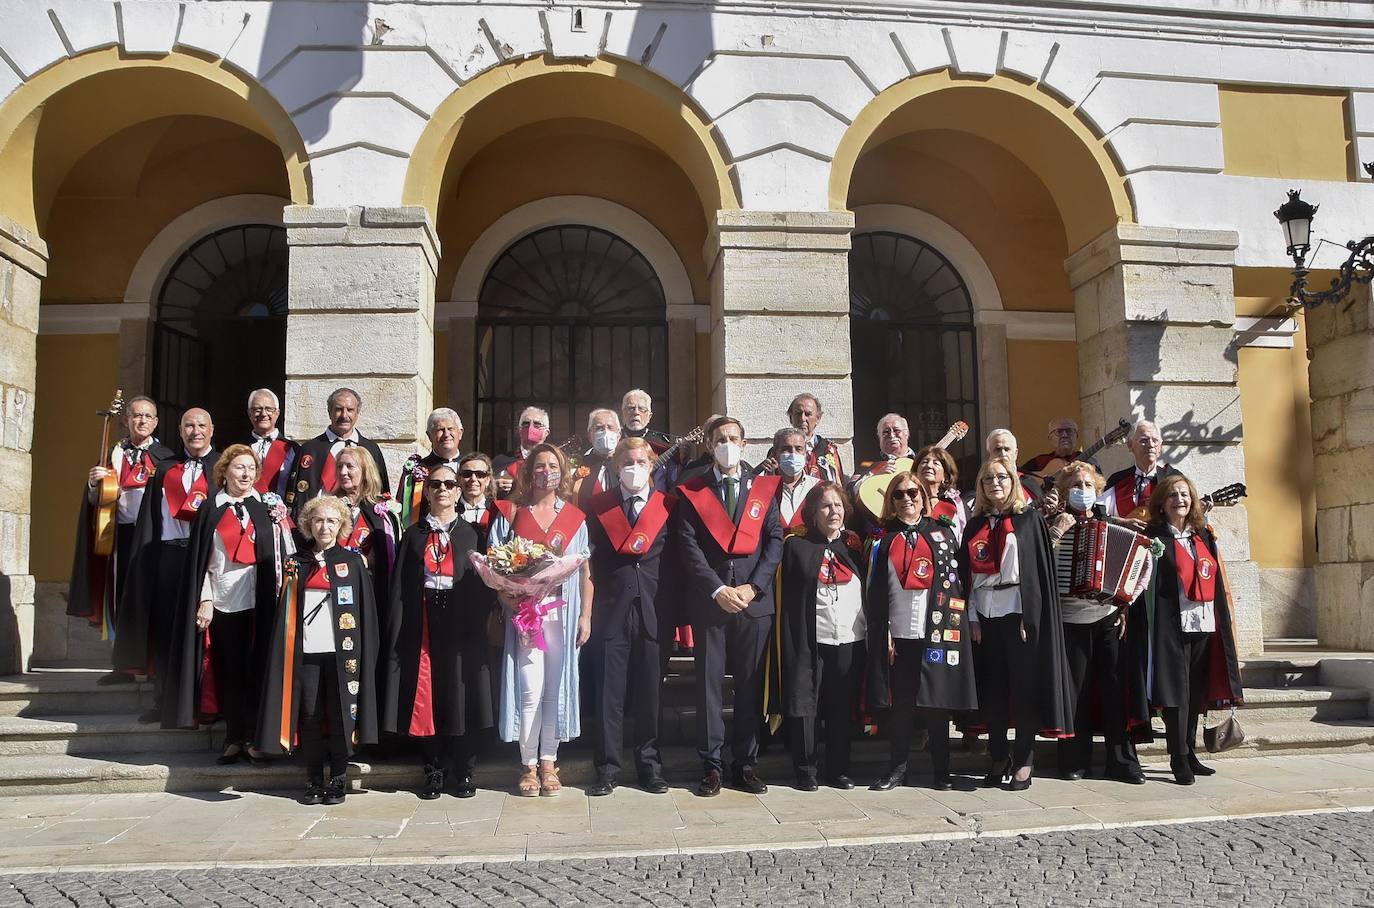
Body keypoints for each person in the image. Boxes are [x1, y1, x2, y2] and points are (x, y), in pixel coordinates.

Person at [672, 416, 784, 797]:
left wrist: (755, 586)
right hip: (712, 603)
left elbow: (775, 540)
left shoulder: (764, 489)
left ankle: (746, 764)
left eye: (734, 438)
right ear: (709, 443)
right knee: (709, 688)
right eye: (720, 439)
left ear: (745, 442)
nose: (728, 444)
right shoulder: (693, 490)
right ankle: (712, 765)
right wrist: (717, 589)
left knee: (750, 686)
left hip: (753, 605)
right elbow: (687, 546)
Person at [163, 444, 291, 769]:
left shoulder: (264, 507)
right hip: (222, 601)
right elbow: (200, 561)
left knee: (257, 670)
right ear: (225, 471)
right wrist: (204, 598)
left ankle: (254, 739)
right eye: (239, 468)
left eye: (251, 468)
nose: (246, 474)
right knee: (230, 672)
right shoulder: (211, 508)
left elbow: (281, 555)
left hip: (259, 600)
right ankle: (233, 737)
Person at [960, 457, 1073, 791]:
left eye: (1001, 478)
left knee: (1023, 690)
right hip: (983, 613)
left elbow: (1036, 575)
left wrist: (1028, 615)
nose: (994, 483)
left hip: (1017, 612)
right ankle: (998, 755)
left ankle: (1024, 758)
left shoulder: (1028, 521)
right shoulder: (974, 524)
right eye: (987, 479)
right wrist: (970, 617)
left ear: (1012, 482)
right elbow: (964, 576)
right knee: (991, 691)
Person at [257, 495, 379, 805]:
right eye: (319, 520)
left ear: (341, 526)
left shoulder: (352, 562)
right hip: (306, 652)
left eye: (331, 521)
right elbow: (285, 611)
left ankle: (337, 777)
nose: (324, 526)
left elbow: (366, 615)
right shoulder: (296, 563)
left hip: (342, 654)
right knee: (310, 715)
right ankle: (313, 778)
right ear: (309, 524)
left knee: (339, 715)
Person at [489, 443, 592, 797]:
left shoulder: (575, 518)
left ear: (562, 473)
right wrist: (507, 594)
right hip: (525, 615)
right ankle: (527, 765)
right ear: (528, 470)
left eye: (553, 465)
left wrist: (586, 615)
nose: (545, 471)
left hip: (562, 614)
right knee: (529, 690)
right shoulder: (511, 513)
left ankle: (549, 762)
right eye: (539, 465)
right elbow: (495, 563)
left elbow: (584, 573)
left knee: (554, 689)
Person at [385, 465, 492, 800]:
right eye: (436, 484)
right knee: (427, 695)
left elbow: (484, 583)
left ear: (459, 491)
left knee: (460, 692)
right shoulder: (413, 535)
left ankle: (464, 769)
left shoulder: (473, 533)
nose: (443, 489)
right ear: (427, 492)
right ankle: (432, 769)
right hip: (424, 621)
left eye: (449, 483)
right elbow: (401, 587)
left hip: (463, 621)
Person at [866, 476, 976, 792]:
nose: (906, 499)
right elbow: (877, 592)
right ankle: (898, 769)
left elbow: (955, 583)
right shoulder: (882, 539)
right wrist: (884, 631)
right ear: (891, 500)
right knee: (901, 706)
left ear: (922, 496)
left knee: (936, 705)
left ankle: (942, 771)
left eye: (913, 492)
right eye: (898, 494)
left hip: (936, 632)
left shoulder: (942, 534)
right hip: (898, 632)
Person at [1046, 462, 1150, 785]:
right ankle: (1074, 759)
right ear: (1065, 493)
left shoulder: (1109, 523)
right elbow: (1036, 565)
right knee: (1074, 694)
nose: (1083, 490)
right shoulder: (1051, 524)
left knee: (1115, 690)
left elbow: (1139, 563)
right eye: (1076, 485)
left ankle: (1121, 760)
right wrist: (1057, 529)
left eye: (1088, 485)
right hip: (1068, 619)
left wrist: (1124, 602)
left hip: (1106, 619)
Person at [584, 437, 675, 796]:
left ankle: (649, 765)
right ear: (616, 466)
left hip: (654, 611)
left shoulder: (667, 506)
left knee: (650, 694)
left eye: (641, 461)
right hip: (610, 612)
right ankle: (607, 768)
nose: (634, 468)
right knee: (610, 694)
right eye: (628, 462)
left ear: (652, 465)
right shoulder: (598, 508)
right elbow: (587, 562)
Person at [1140, 474, 1243, 785]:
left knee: (1196, 691)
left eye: (1185, 494)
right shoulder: (1155, 537)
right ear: (1162, 502)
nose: (1180, 500)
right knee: (1175, 694)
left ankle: (1191, 749)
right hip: (1171, 625)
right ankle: (1177, 757)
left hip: (1203, 622)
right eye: (1172, 495)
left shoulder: (1203, 535)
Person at [117, 408, 219, 722]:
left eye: (202, 424)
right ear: (179, 429)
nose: (196, 430)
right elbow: (150, 519)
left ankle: (205, 704)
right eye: (189, 425)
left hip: (206, 558)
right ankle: (163, 700)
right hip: (170, 557)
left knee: (205, 633)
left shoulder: (221, 468)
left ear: (212, 429)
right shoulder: (164, 469)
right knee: (166, 630)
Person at [68, 394, 175, 683]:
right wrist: (93, 483)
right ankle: (123, 666)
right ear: (126, 420)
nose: (141, 421)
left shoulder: (166, 458)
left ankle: (154, 666)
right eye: (136, 415)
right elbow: (97, 500)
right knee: (120, 599)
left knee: (152, 599)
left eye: (147, 416)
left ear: (156, 422)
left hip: (153, 538)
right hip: (120, 536)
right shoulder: (110, 455)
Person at [775, 482, 866, 790]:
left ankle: (839, 769)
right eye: (826, 506)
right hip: (809, 638)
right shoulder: (795, 546)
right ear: (812, 512)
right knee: (805, 706)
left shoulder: (854, 545)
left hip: (849, 638)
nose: (833, 511)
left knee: (841, 706)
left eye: (838, 505)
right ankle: (806, 770)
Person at [286, 388, 390, 521]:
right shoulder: (309, 449)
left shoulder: (371, 449)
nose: (344, 415)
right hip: (319, 528)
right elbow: (297, 498)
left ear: (357, 413)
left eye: (350, 410)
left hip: (362, 528)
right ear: (329, 412)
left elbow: (381, 493)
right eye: (338, 409)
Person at [335, 445, 401, 624]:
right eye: (339, 466)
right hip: (332, 586)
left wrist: (367, 560)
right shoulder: (329, 506)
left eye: (350, 466)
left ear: (365, 471)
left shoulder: (382, 512)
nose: (343, 472)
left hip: (368, 589)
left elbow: (389, 555)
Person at [395, 408, 465, 526]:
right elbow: (404, 512)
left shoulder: (472, 469)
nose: (446, 434)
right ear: (429, 436)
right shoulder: (417, 470)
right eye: (440, 430)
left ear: (460, 433)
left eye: (451, 429)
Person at [1099, 419, 1178, 523]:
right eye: (1144, 440)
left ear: (1160, 447)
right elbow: (1098, 515)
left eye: (1155, 441)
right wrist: (1122, 523)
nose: (1151, 445)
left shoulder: (1172, 479)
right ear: (1130, 445)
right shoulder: (1117, 480)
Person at [763, 394, 845, 484]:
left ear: (818, 418)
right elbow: (769, 486)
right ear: (791, 418)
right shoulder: (779, 450)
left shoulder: (828, 450)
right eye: (798, 413)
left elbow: (838, 484)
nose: (802, 418)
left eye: (808, 414)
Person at [245, 389, 297, 498]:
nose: (263, 414)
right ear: (250, 413)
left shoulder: (293, 449)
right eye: (257, 409)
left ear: (277, 413)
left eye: (269, 409)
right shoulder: (240, 448)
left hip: (283, 512)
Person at [985, 428, 1053, 509]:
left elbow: (1040, 516)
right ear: (989, 454)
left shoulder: (1029, 481)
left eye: (1007, 449)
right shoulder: (986, 484)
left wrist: (1051, 511)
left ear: (1016, 453)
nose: (1003, 454)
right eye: (997, 449)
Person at [492, 406, 551, 499]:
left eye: (537, 424)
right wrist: (494, 486)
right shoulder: (501, 461)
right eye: (526, 423)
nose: (530, 427)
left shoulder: (554, 463)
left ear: (546, 433)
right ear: (519, 430)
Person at [913, 445, 968, 540]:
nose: (929, 465)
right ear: (916, 472)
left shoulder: (956, 505)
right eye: (924, 462)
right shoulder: (907, 500)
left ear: (945, 476)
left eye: (936, 463)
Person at [771, 427, 820, 534]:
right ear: (775, 454)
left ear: (806, 455)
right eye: (786, 449)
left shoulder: (819, 488)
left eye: (798, 449)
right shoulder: (764, 489)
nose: (793, 454)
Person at [574, 408, 621, 510]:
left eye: (610, 427)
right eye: (599, 428)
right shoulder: (578, 465)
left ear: (619, 435)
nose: (605, 432)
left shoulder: (628, 463)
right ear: (589, 436)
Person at [456, 452, 501, 543]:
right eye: (467, 474)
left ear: (487, 480)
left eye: (480, 474)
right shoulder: (450, 510)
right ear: (459, 479)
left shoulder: (498, 511)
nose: (473, 479)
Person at [1020, 418, 1086, 477]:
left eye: (1069, 431)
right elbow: (1018, 475)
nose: (1064, 435)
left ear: (1076, 436)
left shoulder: (1087, 459)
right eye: (1059, 431)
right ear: (1050, 438)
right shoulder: (1040, 461)